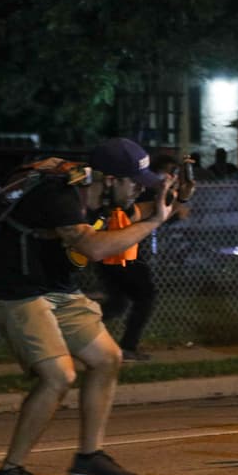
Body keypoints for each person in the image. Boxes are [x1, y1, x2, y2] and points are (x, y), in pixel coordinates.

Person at [0, 137, 177, 475]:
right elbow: (95, 248)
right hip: (13, 287)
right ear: (112, 179)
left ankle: (89, 457)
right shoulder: (60, 194)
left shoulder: (99, 194)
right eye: (134, 182)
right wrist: (157, 221)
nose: (137, 190)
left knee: (107, 358)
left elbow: (125, 219)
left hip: (54, 284)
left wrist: (168, 201)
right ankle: (10, 472)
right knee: (58, 376)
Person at [92, 153, 194, 361]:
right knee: (144, 296)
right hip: (121, 256)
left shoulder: (127, 199)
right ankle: (125, 345)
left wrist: (179, 198)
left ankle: (78, 331)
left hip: (121, 255)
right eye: (169, 172)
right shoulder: (118, 199)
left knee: (118, 303)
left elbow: (146, 214)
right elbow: (146, 216)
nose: (139, 189)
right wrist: (169, 203)